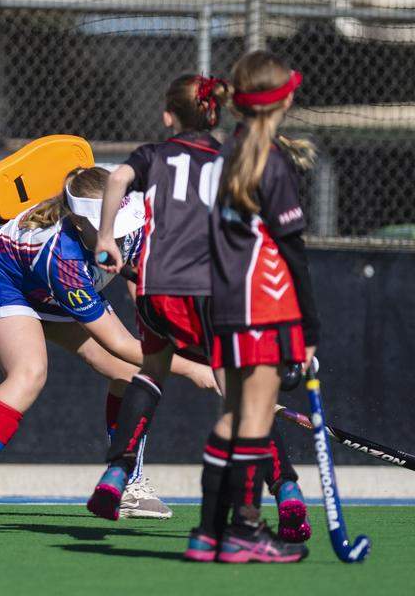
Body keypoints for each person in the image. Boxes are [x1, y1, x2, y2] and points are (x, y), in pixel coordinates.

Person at [0, 166, 218, 521]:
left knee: (129, 373)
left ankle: (127, 485)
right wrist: (194, 369)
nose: (116, 237)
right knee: (29, 372)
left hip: (51, 292)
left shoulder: (134, 225)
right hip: (0, 283)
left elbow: (140, 283)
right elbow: (118, 342)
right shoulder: (62, 256)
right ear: (78, 223)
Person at [87, 73, 312, 549]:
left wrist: (106, 237)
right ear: (215, 114)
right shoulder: (231, 159)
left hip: (155, 289)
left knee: (151, 373)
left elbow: (118, 180)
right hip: (214, 292)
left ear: (169, 116)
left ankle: (115, 473)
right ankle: (287, 488)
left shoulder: (153, 154)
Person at [191, 52, 318, 563]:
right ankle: (244, 530)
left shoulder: (228, 151)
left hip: (222, 303)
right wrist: (310, 328)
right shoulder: (272, 158)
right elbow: (292, 251)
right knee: (256, 420)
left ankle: (207, 533)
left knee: (232, 417)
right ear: (283, 98)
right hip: (263, 307)